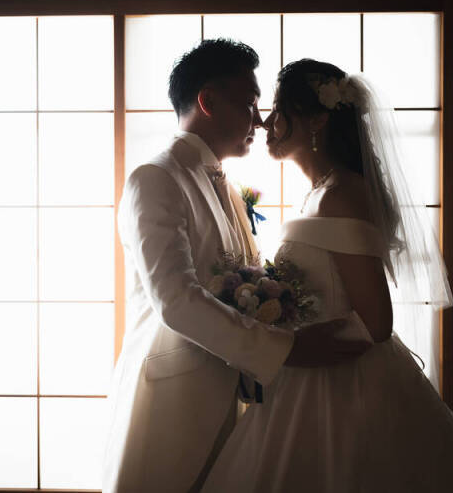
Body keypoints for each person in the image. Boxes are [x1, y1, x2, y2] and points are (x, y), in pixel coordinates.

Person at [201, 58, 453, 493]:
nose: (267, 121)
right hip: (305, 368)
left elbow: (376, 323)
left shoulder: (343, 194)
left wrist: (293, 343)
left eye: (279, 108)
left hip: (343, 382)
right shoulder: (319, 192)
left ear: (318, 119)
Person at [102, 42, 370, 493]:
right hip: (175, 405)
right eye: (249, 104)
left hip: (240, 397)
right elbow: (177, 301)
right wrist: (289, 350)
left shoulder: (227, 187)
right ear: (207, 101)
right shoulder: (156, 177)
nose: (261, 119)